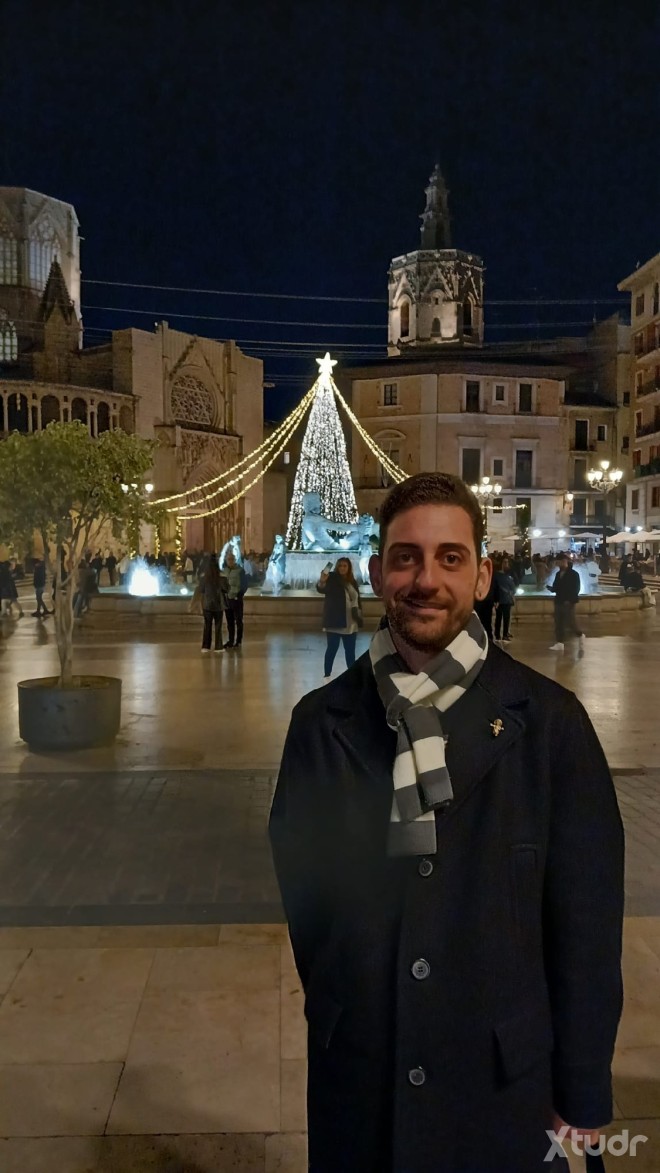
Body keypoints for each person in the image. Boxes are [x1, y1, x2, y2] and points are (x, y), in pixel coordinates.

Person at [270, 471, 624, 1173]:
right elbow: (306, 899)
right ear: (378, 574)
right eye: (405, 558)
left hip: (501, 1083)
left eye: (449, 558)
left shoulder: (550, 724)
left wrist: (582, 1090)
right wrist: (344, 995)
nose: (425, 579)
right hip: (362, 1076)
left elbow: (586, 924)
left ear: (482, 576)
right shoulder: (321, 724)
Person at [317, 556, 362, 680]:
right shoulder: (332, 578)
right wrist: (322, 581)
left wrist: (359, 615)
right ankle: (327, 675)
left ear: (349, 568)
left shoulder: (352, 581)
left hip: (351, 621)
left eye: (345, 566)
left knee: (350, 651)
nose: (342, 568)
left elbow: (356, 599)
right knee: (332, 649)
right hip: (335, 621)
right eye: (340, 565)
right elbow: (322, 589)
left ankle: (352, 676)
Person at [547, 552, 585, 653]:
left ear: (564, 561)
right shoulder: (558, 574)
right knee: (558, 622)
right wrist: (550, 588)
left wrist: (570, 600)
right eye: (557, 562)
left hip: (568, 602)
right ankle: (560, 643)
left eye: (558, 562)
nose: (557, 564)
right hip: (559, 600)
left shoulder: (574, 574)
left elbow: (576, 588)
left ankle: (580, 635)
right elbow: (556, 587)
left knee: (570, 622)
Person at [200, 555, 226, 654]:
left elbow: (201, 591)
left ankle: (206, 646)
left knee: (207, 626)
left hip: (207, 605)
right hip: (218, 605)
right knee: (218, 626)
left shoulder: (204, 578)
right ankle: (218, 646)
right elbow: (226, 589)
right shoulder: (221, 578)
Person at [223, 550, 245, 648]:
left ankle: (238, 641)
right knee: (229, 622)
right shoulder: (225, 571)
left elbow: (245, 585)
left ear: (235, 560)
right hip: (227, 599)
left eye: (232, 559)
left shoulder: (240, 571)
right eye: (228, 559)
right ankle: (231, 641)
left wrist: (239, 595)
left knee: (238, 620)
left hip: (236, 600)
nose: (230, 561)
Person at [494, 554, 517, 641]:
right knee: (499, 618)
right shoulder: (497, 575)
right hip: (500, 600)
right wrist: (495, 599)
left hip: (507, 600)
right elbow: (495, 588)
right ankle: (497, 634)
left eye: (507, 562)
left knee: (506, 618)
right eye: (504, 562)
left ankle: (505, 634)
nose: (506, 564)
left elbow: (514, 586)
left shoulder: (509, 574)